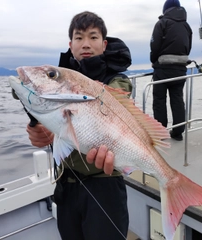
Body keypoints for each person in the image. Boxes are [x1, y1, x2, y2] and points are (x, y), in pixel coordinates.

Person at [26, 11, 132, 240]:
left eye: (93, 38)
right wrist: (38, 125)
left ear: (104, 44)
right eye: (79, 37)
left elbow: (115, 106)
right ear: (70, 44)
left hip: (104, 185)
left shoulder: (117, 81)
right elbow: (55, 120)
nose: (86, 44)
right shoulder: (58, 82)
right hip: (66, 185)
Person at [150, 0, 192, 141]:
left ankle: (161, 134)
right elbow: (189, 47)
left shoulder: (162, 23)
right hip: (180, 70)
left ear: (165, 9)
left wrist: (153, 60)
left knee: (159, 101)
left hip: (162, 70)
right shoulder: (187, 26)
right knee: (177, 100)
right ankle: (178, 132)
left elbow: (154, 45)